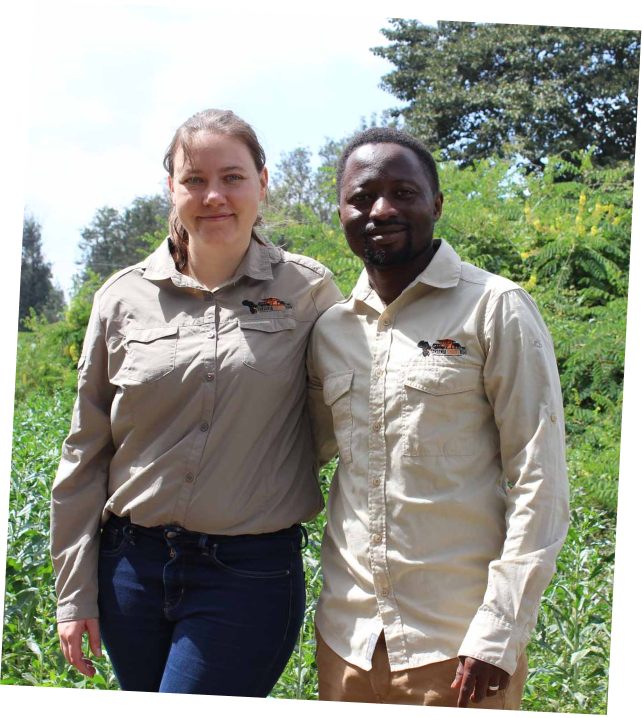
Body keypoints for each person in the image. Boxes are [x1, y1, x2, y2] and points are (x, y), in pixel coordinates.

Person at [50, 109, 343, 695]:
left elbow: (341, 421)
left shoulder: (309, 292)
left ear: (263, 183)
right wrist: (73, 591)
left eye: (233, 177)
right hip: (130, 571)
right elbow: (86, 450)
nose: (214, 196)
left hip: (248, 574)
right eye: (194, 180)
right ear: (172, 189)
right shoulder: (121, 298)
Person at [306, 127, 569, 708]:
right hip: (346, 644)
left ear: (437, 204)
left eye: (404, 192)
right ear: (341, 211)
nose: (382, 209)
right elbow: (308, 455)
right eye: (362, 196)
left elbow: (540, 479)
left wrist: (500, 631)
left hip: (457, 650)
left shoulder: (495, 306)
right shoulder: (331, 329)